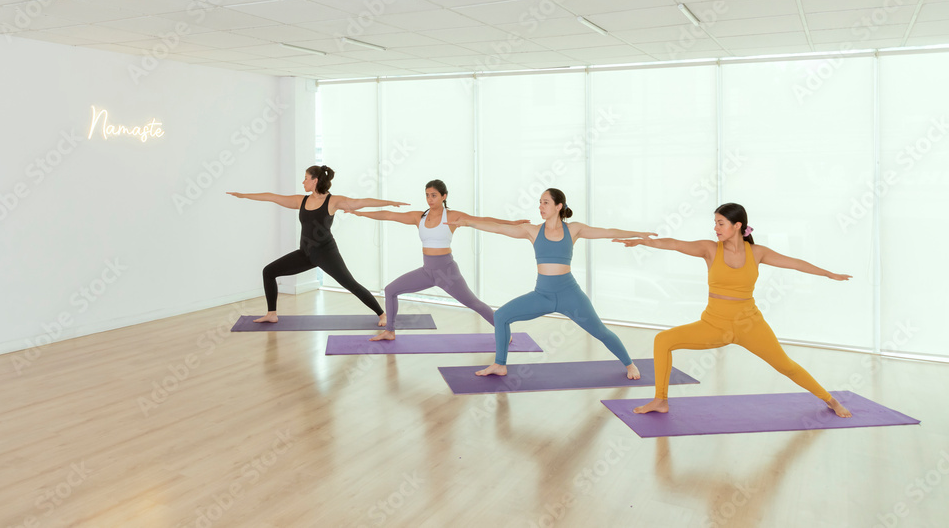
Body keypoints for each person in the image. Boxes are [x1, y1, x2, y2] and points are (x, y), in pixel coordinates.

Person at [618, 202, 852, 418]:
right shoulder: (710, 249)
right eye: (715, 223)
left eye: (720, 223)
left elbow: (794, 263)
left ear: (737, 225)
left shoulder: (757, 252)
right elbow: (675, 244)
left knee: (786, 366)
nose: (715, 228)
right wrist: (644, 241)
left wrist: (827, 273)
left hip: (750, 325)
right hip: (714, 325)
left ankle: (830, 400)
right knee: (663, 340)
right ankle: (660, 400)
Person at [456, 188, 654, 379]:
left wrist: (637, 234)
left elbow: (607, 231)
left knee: (600, 331)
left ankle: (629, 363)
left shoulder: (573, 229)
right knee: (501, 316)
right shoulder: (532, 231)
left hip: (570, 294)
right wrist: (467, 223)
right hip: (542, 295)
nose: (540, 207)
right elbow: (499, 229)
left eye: (545, 202)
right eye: (539, 203)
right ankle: (500, 364)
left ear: (559, 206)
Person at [228, 165, 407, 324]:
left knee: (350, 284)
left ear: (315, 180)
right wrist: (244, 196)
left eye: (306, 178)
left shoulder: (333, 201)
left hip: (326, 253)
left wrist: (389, 202)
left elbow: (361, 202)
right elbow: (273, 197)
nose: (303, 181)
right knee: (269, 271)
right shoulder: (302, 200)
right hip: (305, 253)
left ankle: (382, 314)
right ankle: (272, 313)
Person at [351, 179, 526, 340]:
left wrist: (512, 223)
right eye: (427, 195)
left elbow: (482, 220)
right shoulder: (419, 217)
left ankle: (504, 331)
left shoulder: (451, 216)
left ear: (444, 196)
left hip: (447, 271)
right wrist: (360, 214)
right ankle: (389, 331)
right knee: (390, 290)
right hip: (427, 271)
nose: (430, 199)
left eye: (434, 195)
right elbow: (388, 215)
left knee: (474, 303)